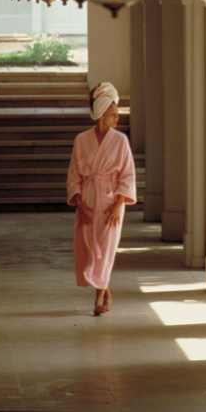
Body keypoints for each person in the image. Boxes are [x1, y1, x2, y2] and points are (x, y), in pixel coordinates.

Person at [67, 82, 136, 315]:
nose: (117, 118)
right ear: (101, 114)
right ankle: (106, 292)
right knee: (90, 247)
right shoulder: (81, 140)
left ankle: (98, 299)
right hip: (88, 199)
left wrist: (118, 205)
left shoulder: (121, 141)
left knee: (106, 249)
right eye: (112, 114)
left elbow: (127, 175)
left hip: (111, 201)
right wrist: (79, 203)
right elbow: (74, 176)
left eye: (117, 114)